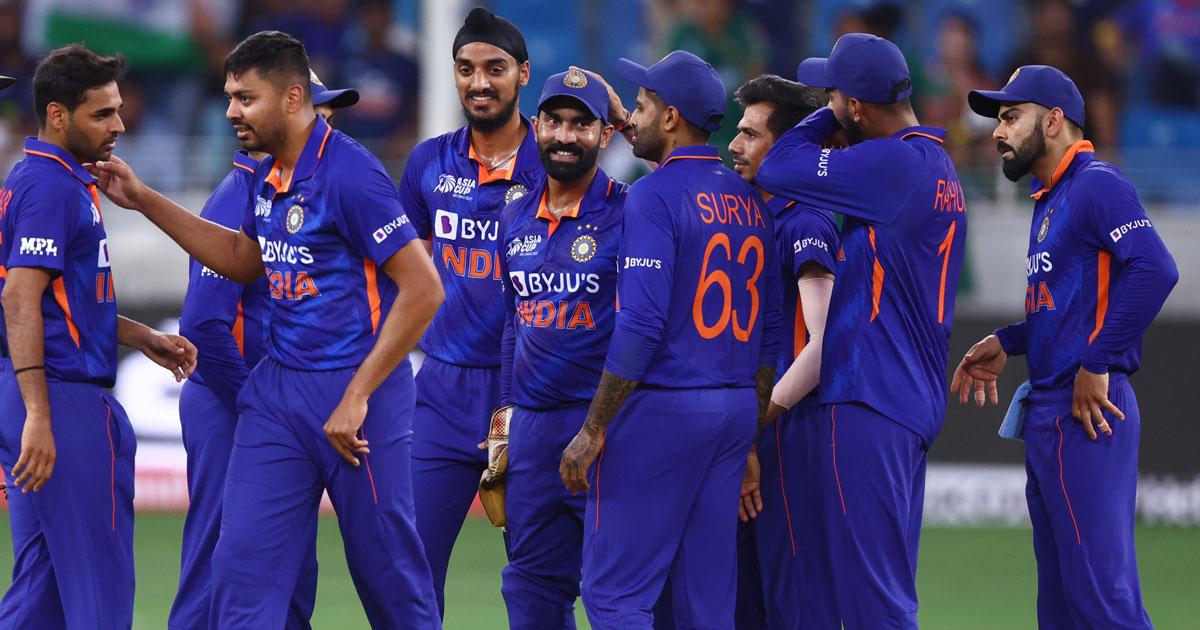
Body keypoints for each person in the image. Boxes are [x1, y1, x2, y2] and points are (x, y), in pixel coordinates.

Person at [87, 31, 444, 627]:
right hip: (278, 395)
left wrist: (358, 394)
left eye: (245, 98)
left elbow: (424, 289)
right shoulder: (266, 175)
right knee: (240, 573)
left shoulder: (352, 174)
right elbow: (243, 258)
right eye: (230, 96)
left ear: (292, 98)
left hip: (360, 396)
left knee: (388, 577)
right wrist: (144, 199)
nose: (231, 111)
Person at [558, 50, 782, 629]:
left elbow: (641, 325)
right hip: (733, 409)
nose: (633, 118)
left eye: (641, 105)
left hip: (665, 409)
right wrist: (749, 432)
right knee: (705, 600)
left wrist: (593, 427)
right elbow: (770, 333)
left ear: (672, 117)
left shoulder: (653, 195)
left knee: (616, 595)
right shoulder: (750, 199)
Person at [756, 33, 968, 628]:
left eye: (833, 94)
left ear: (855, 105)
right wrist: (843, 108)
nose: (827, 103)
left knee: (874, 600)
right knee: (870, 588)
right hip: (907, 397)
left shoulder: (892, 163)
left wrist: (826, 117)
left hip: (869, 397)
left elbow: (778, 164)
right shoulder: (935, 164)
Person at [954, 65, 1177, 629]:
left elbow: (1155, 269)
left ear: (1053, 121)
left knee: (1102, 603)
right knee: (1060, 607)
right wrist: (1008, 340)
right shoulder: (1052, 197)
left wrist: (1098, 361)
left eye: (1011, 117)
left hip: (1087, 413)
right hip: (1052, 414)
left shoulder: (1096, 184)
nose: (998, 131)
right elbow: (1069, 311)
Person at [0, 47, 196, 628]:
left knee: (41, 592)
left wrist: (136, 334)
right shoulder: (53, 188)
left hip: (34, 393)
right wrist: (41, 413)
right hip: (61, 401)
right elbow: (19, 298)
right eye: (102, 114)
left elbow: (56, 303)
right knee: (99, 592)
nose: (119, 125)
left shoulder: (38, 178)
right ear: (57, 115)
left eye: (118, 111)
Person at [168, 72, 359, 630]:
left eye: (330, 119)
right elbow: (203, 324)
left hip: (275, 402)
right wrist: (255, 402)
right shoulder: (240, 194)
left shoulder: (296, 193)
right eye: (319, 119)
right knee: (220, 565)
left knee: (290, 566)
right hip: (231, 401)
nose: (328, 133)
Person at [397, 8, 543, 614]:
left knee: (538, 583)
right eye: (465, 69)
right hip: (441, 389)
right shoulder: (428, 163)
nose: (479, 82)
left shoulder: (557, 158)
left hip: (532, 394)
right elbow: (403, 274)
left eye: (494, 68)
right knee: (408, 573)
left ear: (523, 74)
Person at [494, 67, 624, 630]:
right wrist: (504, 420)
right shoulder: (514, 214)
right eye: (554, 121)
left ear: (605, 133)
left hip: (606, 427)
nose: (565, 136)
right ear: (536, 125)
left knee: (615, 595)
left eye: (581, 124)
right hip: (531, 429)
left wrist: (600, 427)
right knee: (531, 590)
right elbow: (513, 321)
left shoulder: (631, 212)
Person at [728, 74, 839, 630]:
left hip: (788, 433)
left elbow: (823, 345)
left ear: (788, 147)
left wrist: (755, 423)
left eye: (750, 134)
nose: (734, 144)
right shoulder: (751, 214)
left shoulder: (804, 222)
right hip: (750, 431)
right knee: (747, 601)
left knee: (794, 602)